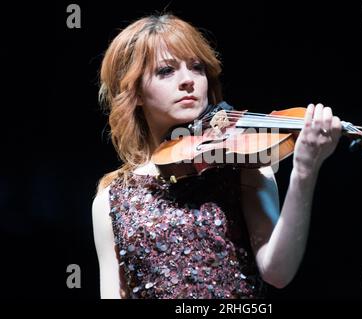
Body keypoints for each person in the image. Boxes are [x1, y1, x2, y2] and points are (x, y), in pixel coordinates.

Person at [92, 14, 342, 299]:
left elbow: (278, 272)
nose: (189, 81)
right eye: (166, 71)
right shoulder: (112, 199)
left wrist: (304, 171)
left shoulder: (244, 164)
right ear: (134, 92)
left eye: (197, 68)